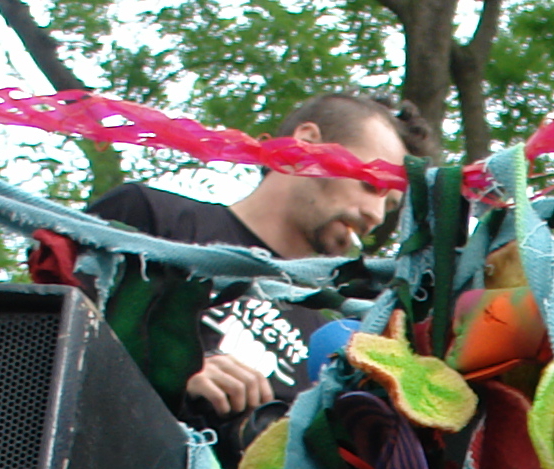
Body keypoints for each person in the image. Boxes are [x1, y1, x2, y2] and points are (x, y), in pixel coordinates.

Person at [85, 94, 407, 449]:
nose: (376, 215)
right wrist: (167, 368)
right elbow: (52, 339)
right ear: (306, 144)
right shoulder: (148, 220)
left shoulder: (330, 343)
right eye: (370, 183)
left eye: (390, 205)